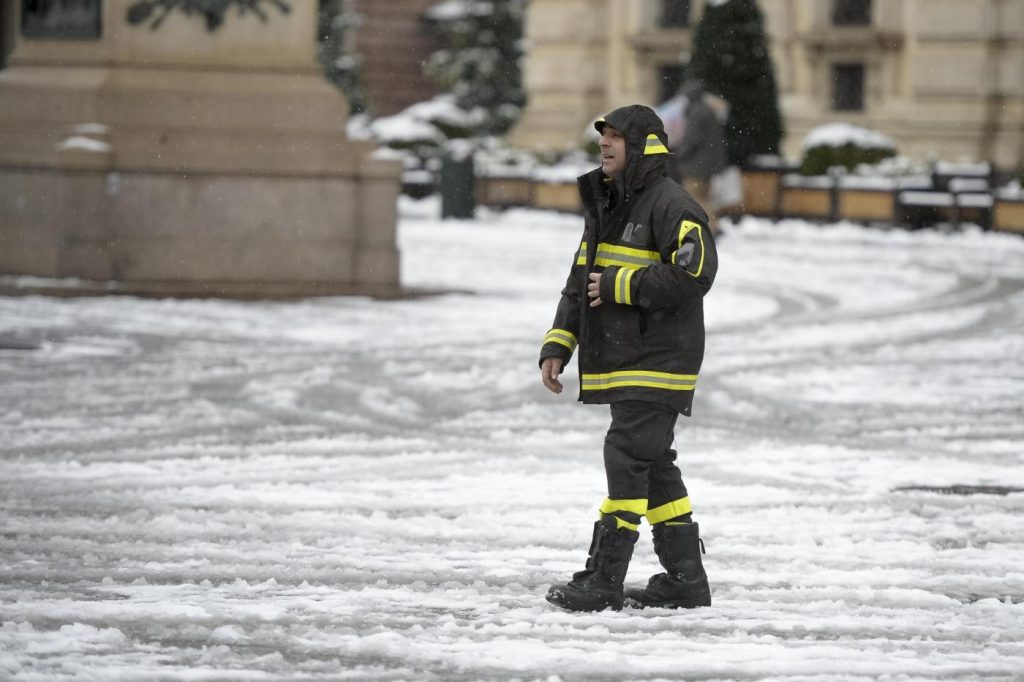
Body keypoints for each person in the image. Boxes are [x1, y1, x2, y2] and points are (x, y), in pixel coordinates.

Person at [539, 104, 718, 612]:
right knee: (653, 464)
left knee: (625, 455)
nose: (605, 144)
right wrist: (558, 344)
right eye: (604, 136)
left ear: (643, 148)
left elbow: (696, 273)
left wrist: (622, 284)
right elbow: (579, 284)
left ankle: (603, 579)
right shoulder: (608, 206)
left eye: (617, 137)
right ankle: (686, 579)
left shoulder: (673, 205)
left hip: (659, 360)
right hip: (628, 360)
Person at [673, 80, 729, 234]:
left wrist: (680, 153)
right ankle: (711, 225)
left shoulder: (695, 112)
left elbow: (692, 138)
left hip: (695, 165)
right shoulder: (707, 110)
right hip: (707, 164)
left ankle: (711, 227)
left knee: (695, 197)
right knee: (704, 196)